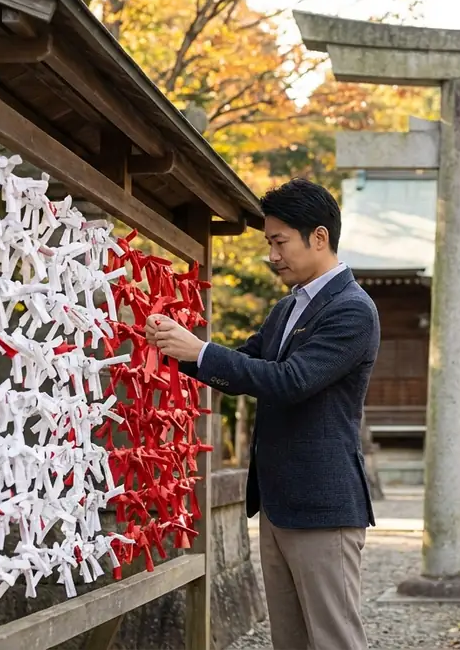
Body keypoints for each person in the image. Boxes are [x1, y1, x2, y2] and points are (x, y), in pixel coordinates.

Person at [145, 178, 378, 650]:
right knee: (288, 640)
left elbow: (290, 381)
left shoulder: (353, 310)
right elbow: (246, 366)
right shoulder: (288, 306)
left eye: (279, 242)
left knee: (335, 640)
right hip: (279, 502)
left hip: (322, 506)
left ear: (318, 237)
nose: (272, 254)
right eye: (268, 242)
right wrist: (173, 347)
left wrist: (201, 350)